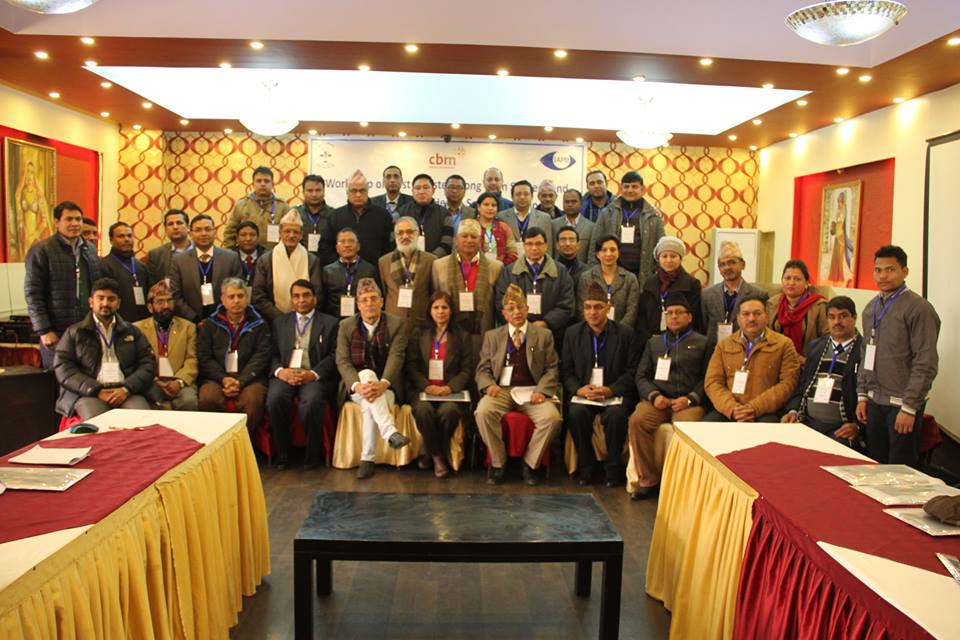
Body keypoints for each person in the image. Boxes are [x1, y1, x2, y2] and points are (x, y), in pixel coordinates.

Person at [856, 245, 940, 466]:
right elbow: (866, 353)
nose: (883, 275)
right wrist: (862, 395)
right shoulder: (871, 308)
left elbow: (926, 361)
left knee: (900, 473)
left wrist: (910, 407)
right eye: (878, 270)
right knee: (875, 466)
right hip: (874, 402)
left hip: (902, 406)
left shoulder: (918, 308)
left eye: (890, 269)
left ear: (905, 271)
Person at [475, 284, 562, 486]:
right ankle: (498, 463)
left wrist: (542, 391)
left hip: (532, 392)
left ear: (527, 309)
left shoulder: (543, 335)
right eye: (511, 309)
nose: (517, 312)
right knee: (483, 413)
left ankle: (531, 463)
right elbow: (483, 369)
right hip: (502, 391)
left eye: (520, 307)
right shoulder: (492, 336)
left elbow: (552, 368)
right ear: (504, 313)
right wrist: (488, 385)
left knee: (552, 418)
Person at [627, 292, 709, 498]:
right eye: (669, 313)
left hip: (689, 402)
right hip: (658, 401)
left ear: (689, 317)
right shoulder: (654, 343)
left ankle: (682, 487)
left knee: (685, 427)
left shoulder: (703, 342)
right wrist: (654, 396)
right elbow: (641, 376)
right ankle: (648, 479)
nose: (673, 317)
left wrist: (690, 399)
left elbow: (709, 378)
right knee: (637, 421)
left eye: (679, 312)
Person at [562, 282, 641, 487]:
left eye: (598, 307)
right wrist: (579, 389)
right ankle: (586, 467)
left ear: (608, 307)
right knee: (576, 413)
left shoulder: (625, 334)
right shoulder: (572, 334)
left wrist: (610, 390)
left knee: (616, 416)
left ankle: (613, 470)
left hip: (614, 393)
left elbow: (633, 372)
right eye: (588, 307)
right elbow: (566, 371)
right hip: (584, 394)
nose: (592, 312)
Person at [335, 278, 411, 479]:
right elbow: (342, 361)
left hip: (387, 386)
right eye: (364, 300)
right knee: (367, 376)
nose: (369, 304)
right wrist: (358, 386)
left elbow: (397, 356)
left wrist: (384, 383)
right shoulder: (346, 326)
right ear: (358, 305)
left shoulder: (396, 324)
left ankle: (367, 458)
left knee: (371, 405)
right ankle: (390, 434)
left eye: (373, 299)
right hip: (356, 387)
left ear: (381, 301)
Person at [53, 277, 153, 419]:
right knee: (100, 426)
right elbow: (63, 368)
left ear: (118, 303)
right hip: (90, 394)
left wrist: (126, 389)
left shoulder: (132, 332)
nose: (105, 303)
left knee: (143, 422)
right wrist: (95, 390)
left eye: (111, 299)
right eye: (100, 298)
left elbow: (147, 364)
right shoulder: (74, 333)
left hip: (126, 391)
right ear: (91, 302)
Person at [267, 279, 338, 469]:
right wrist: (281, 372)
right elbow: (272, 353)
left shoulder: (330, 323)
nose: (301, 300)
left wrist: (313, 374)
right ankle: (283, 454)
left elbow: (334, 356)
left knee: (312, 402)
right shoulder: (280, 322)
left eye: (306, 295)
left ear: (314, 298)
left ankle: (313, 455)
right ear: (291, 300)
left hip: (313, 376)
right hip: (286, 375)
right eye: (296, 296)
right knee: (274, 399)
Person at [24, 200, 103, 369]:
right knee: (58, 381)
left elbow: (97, 288)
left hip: (88, 328)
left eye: (78, 219)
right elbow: (33, 293)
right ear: (57, 222)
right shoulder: (42, 251)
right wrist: (44, 330)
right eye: (69, 219)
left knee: (87, 379)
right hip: (56, 331)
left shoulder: (90, 249)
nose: (75, 223)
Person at [405, 291, 476, 478]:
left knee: (449, 412)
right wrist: (426, 386)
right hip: (423, 390)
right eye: (436, 307)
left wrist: (449, 388)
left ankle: (429, 453)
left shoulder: (462, 335)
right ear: (429, 310)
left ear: (451, 311)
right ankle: (438, 457)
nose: (440, 311)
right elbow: (411, 366)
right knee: (423, 411)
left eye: (445, 307)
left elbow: (467, 369)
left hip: (450, 392)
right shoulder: (418, 333)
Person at [703, 295, 801, 422]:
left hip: (765, 412)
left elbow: (788, 383)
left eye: (757, 313)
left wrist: (754, 408)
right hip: (730, 410)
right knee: (706, 430)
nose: (751, 318)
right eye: (746, 314)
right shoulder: (724, 345)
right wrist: (733, 409)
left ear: (767, 317)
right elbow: (713, 382)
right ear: (738, 318)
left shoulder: (784, 344)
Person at [783, 296, 863, 446]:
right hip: (808, 421)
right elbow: (802, 384)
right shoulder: (816, 346)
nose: (837, 322)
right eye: (832, 317)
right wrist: (793, 410)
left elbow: (869, 396)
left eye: (843, 316)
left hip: (841, 427)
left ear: (854, 317)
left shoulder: (863, 351)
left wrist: (857, 426)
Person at [196, 277, 271, 432]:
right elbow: (204, 357)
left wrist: (241, 381)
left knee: (252, 400)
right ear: (222, 300)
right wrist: (223, 379)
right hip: (217, 378)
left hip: (250, 378)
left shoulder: (260, 324)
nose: (236, 301)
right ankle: (216, 444)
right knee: (208, 398)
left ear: (247, 298)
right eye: (231, 297)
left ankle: (244, 444)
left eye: (240, 296)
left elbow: (261, 357)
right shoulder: (211, 324)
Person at [432, 219, 505, 354]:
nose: (469, 240)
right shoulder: (439, 265)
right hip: (449, 335)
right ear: (456, 240)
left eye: (474, 236)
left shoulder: (496, 267)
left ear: (480, 240)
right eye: (464, 236)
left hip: (483, 335)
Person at [495, 226, 575, 343]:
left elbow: (567, 304)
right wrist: (521, 323)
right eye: (529, 244)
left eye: (538, 244)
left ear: (546, 246)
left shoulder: (560, 271)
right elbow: (500, 303)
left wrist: (546, 323)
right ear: (523, 246)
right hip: (518, 335)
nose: (534, 248)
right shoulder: (509, 271)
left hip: (551, 334)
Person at [134, 280, 199, 410]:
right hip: (150, 383)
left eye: (169, 300)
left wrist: (179, 382)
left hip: (180, 383)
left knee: (189, 401)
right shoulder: (137, 328)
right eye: (160, 301)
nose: (166, 306)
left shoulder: (188, 328)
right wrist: (153, 381)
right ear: (150, 307)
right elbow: (136, 362)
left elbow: (193, 360)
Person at [590, 171, 664, 282]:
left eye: (634, 186)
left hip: (644, 275)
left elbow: (661, 247)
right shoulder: (607, 213)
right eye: (626, 186)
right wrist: (593, 272)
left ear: (642, 189)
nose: (630, 190)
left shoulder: (653, 215)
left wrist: (656, 272)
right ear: (621, 188)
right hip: (611, 274)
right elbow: (594, 244)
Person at [251, 210, 323, 324]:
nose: (291, 235)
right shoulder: (265, 260)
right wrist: (281, 318)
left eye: (295, 232)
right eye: (287, 231)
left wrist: (302, 316)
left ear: (301, 235)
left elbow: (317, 294)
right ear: (280, 233)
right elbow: (258, 296)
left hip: (305, 320)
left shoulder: (312, 260)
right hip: (273, 321)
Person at [169, 214, 244, 322]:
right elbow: (175, 295)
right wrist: (194, 319)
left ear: (215, 232)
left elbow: (238, 292)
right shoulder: (179, 261)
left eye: (208, 229)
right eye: (198, 230)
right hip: (190, 323)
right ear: (190, 234)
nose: (203, 234)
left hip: (224, 321)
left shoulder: (231, 258)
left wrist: (220, 317)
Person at [701, 240, 768, 346]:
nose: (727, 267)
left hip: (745, 351)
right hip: (713, 353)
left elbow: (762, 328)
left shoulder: (759, 294)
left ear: (743, 265)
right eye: (722, 264)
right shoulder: (706, 295)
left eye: (732, 262)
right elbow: (703, 327)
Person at [378, 216, 435, 337]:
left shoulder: (431, 260)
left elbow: (433, 292)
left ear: (418, 234)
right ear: (395, 235)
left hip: (422, 324)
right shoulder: (383, 262)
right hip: (393, 325)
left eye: (410, 232)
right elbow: (384, 292)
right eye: (400, 232)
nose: (405, 236)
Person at [638, 236, 702, 340]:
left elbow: (695, 317)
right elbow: (642, 316)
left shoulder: (692, 284)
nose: (668, 260)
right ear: (658, 259)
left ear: (680, 258)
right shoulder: (649, 283)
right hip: (651, 341)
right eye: (664, 256)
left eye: (673, 256)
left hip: (680, 340)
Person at [329, 170, 395, 265]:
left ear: (368, 192)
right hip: (341, 274)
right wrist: (338, 265)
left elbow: (390, 246)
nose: (358, 194)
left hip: (376, 272)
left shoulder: (383, 215)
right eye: (354, 190)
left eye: (362, 190)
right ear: (347, 192)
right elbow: (326, 245)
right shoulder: (335, 216)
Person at [577, 234, 641, 328]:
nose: (608, 254)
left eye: (613, 250)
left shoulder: (630, 278)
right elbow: (581, 308)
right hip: (592, 332)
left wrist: (618, 332)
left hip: (622, 334)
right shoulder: (586, 277)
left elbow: (632, 311)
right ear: (597, 254)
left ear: (619, 252)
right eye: (604, 250)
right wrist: (595, 328)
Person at [768, 259, 827, 357]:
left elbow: (826, 339)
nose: (791, 283)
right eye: (787, 278)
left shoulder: (819, 306)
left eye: (797, 279)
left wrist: (806, 361)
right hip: (775, 361)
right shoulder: (772, 304)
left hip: (807, 364)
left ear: (807, 283)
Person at [222, 166, 291, 248]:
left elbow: (290, 233)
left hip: (274, 255)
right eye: (259, 181)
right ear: (253, 184)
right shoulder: (241, 205)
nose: (262, 184)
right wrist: (232, 254)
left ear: (272, 184)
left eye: (266, 181)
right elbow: (229, 233)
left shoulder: (283, 207)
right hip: (247, 255)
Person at [320, 228, 379, 318]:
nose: (347, 245)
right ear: (337, 248)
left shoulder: (370, 270)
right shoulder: (327, 271)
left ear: (358, 246)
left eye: (351, 241)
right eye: (342, 242)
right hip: (334, 320)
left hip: (361, 320)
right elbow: (323, 301)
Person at [99, 221, 151, 322]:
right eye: (121, 236)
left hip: (143, 321)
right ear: (111, 240)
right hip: (117, 322)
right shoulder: (104, 265)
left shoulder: (141, 266)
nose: (126, 239)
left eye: (129, 236)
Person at [396, 174, 453, 257]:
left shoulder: (445, 214)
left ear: (433, 190)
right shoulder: (400, 212)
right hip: (406, 262)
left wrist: (429, 259)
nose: (421, 191)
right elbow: (393, 239)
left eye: (426, 187)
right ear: (412, 191)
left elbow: (447, 243)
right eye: (417, 188)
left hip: (435, 263)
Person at [502, 180, 554, 257]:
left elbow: (548, 247)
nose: (522, 197)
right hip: (510, 265)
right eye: (518, 194)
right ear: (512, 197)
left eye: (526, 194)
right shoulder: (502, 217)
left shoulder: (544, 218)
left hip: (537, 264)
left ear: (532, 196)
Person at [295, 174, 335, 263]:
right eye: (310, 190)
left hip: (326, 264)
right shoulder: (295, 213)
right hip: (300, 261)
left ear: (324, 191)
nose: (314, 194)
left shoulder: (334, 215)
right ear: (303, 192)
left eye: (318, 190)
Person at [146, 209, 193, 284]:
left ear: (188, 227)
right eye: (170, 224)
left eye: (179, 223)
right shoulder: (155, 255)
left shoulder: (201, 251)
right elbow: (152, 286)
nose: (175, 227)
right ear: (166, 230)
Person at [551, 188, 594, 263]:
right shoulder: (553, 225)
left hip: (583, 272)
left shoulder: (591, 227)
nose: (570, 204)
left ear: (581, 203)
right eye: (567, 202)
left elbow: (591, 254)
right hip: (558, 272)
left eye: (574, 202)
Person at [475, 191, 518, 265]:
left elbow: (513, 253)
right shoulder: (470, 226)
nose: (490, 208)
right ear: (478, 207)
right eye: (486, 204)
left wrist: (501, 266)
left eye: (493, 205)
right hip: (475, 269)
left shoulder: (504, 227)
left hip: (501, 269)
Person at [234, 221, 268, 289]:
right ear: (237, 239)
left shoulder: (267, 257)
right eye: (243, 235)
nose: (248, 239)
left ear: (258, 237)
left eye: (252, 235)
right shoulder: (229, 257)